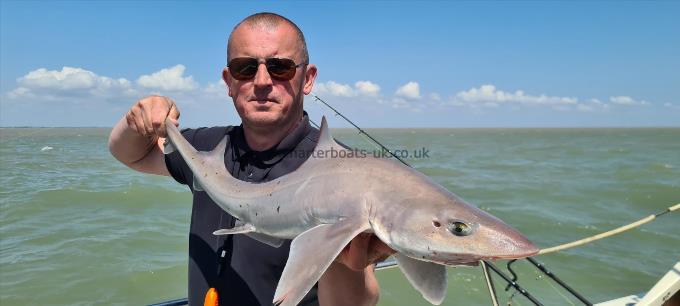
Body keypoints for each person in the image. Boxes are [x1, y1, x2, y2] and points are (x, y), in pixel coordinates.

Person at [108, 12, 393, 306]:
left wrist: (342, 261)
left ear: (307, 79)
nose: (261, 81)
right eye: (244, 68)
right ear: (229, 81)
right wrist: (135, 120)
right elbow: (131, 154)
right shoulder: (205, 148)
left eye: (279, 67)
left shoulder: (346, 171)